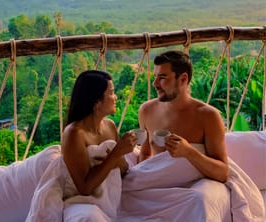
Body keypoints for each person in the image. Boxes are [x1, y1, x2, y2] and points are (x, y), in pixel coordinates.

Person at [138, 49, 229, 183]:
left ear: (183, 79)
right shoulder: (147, 110)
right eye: (155, 77)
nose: (155, 84)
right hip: (159, 184)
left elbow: (223, 173)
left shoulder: (208, 116)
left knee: (200, 199)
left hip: (196, 184)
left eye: (162, 78)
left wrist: (188, 152)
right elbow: (145, 154)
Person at [61, 69, 137, 196]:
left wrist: (121, 154)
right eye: (112, 93)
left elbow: (123, 170)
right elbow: (84, 188)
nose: (116, 97)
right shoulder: (74, 133)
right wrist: (115, 154)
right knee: (87, 216)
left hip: (110, 191)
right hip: (80, 197)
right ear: (97, 102)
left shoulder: (110, 125)